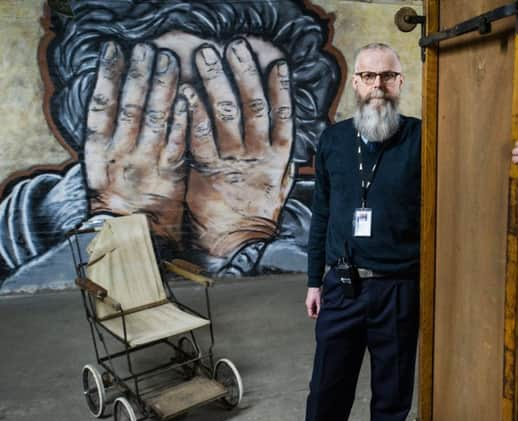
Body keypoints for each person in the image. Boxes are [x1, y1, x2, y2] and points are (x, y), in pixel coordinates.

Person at [0, 0, 341, 287]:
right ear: (102, 120)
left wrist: (243, 240)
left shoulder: (328, 221)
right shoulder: (21, 228)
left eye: (242, 111)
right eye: (167, 101)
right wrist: (122, 225)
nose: (213, 134)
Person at [304, 42, 518, 421]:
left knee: (392, 396)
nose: (378, 85)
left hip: (399, 290)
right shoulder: (333, 141)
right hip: (341, 285)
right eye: (369, 76)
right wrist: (314, 281)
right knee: (325, 393)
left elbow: (475, 164)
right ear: (356, 83)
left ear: (400, 83)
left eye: (387, 76)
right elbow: (321, 213)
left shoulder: (426, 138)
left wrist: (517, 157)